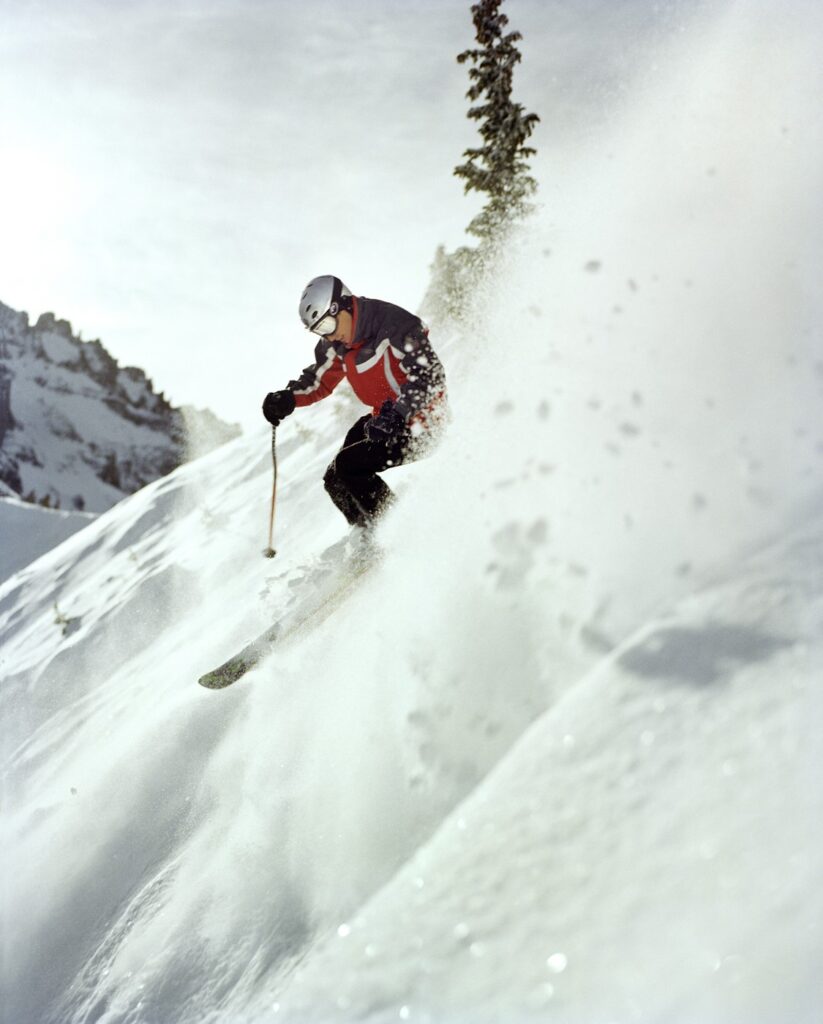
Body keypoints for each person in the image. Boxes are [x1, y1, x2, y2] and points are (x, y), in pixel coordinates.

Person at [262, 275, 448, 529]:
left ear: (343, 305)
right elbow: (319, 379)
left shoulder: (393, 325)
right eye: (318, 331)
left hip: (425, 422)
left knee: (350, 466)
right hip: (385, 418)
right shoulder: (338, 343)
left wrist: (397, 414)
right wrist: (288, 398)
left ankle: (395, 530)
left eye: (326, 325)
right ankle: (366, 534)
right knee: (334, 478)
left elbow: (430, 375)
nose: (328, 336)